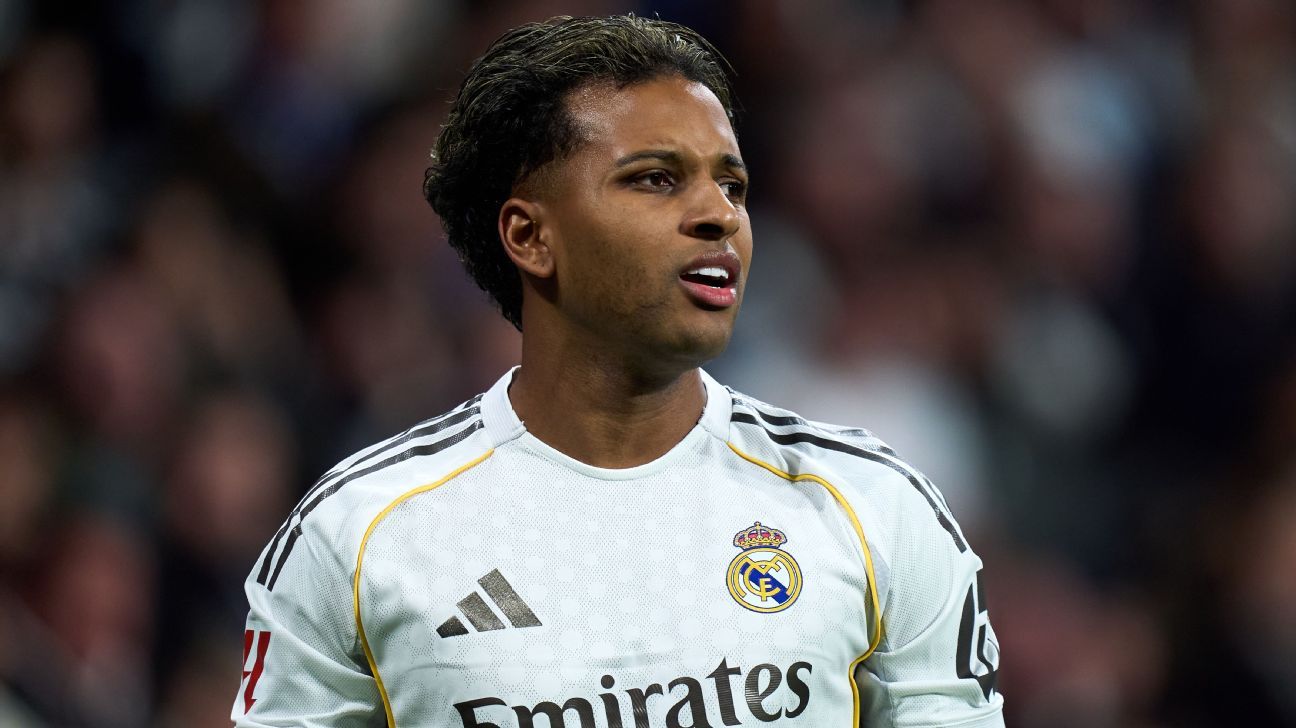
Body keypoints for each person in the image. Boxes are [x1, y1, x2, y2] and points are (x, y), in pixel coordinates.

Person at [233, 14, 1003, 728]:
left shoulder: (871, 507)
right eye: (656, 178)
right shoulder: (358, 537)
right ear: (530, 237)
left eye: (731, 184)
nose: (719, 215)